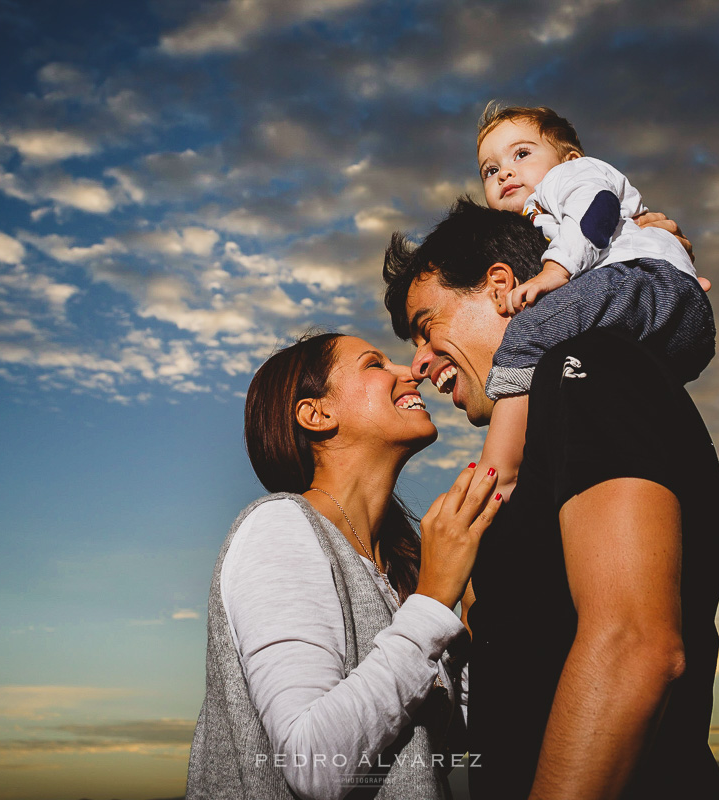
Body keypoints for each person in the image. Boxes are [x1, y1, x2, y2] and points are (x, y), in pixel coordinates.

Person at [383, 200, 719, 799]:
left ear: (500, 286)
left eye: (425, 325)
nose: (418, 361)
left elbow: (633, 647)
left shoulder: (589, 365)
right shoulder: (547, 417)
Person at [186, 331, 503, 800]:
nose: (410, 370)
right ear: (317, 414)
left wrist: (475, 600)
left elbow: (454, 745)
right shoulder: (280, 527)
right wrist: (434, 600)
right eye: (375, 365)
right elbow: (312, 764)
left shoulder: (400, 566)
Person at [466, 104, 715, 500]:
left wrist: (555, 271)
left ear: (569, 158)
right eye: (490, 170)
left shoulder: (572, 177)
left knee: (528, 331)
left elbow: (596, 209)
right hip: (674, 329)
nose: (505, 172)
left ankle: (500, 476)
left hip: (643, 278)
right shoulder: (538, 217)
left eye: (522, 153)